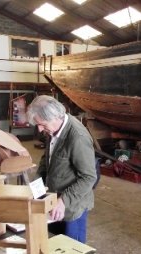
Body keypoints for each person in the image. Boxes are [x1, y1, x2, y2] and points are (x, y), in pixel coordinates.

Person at [26, 95, 98, 243]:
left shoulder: (77, 137)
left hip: (72, 208)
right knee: (53, 244)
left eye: (42, 124)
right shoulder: (52, 129)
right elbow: (47, 159)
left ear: (55, 117)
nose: (39, 129)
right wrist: (36, 186)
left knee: (71, 248)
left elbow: (89, 177)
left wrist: (63, 201)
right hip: (54, 202)